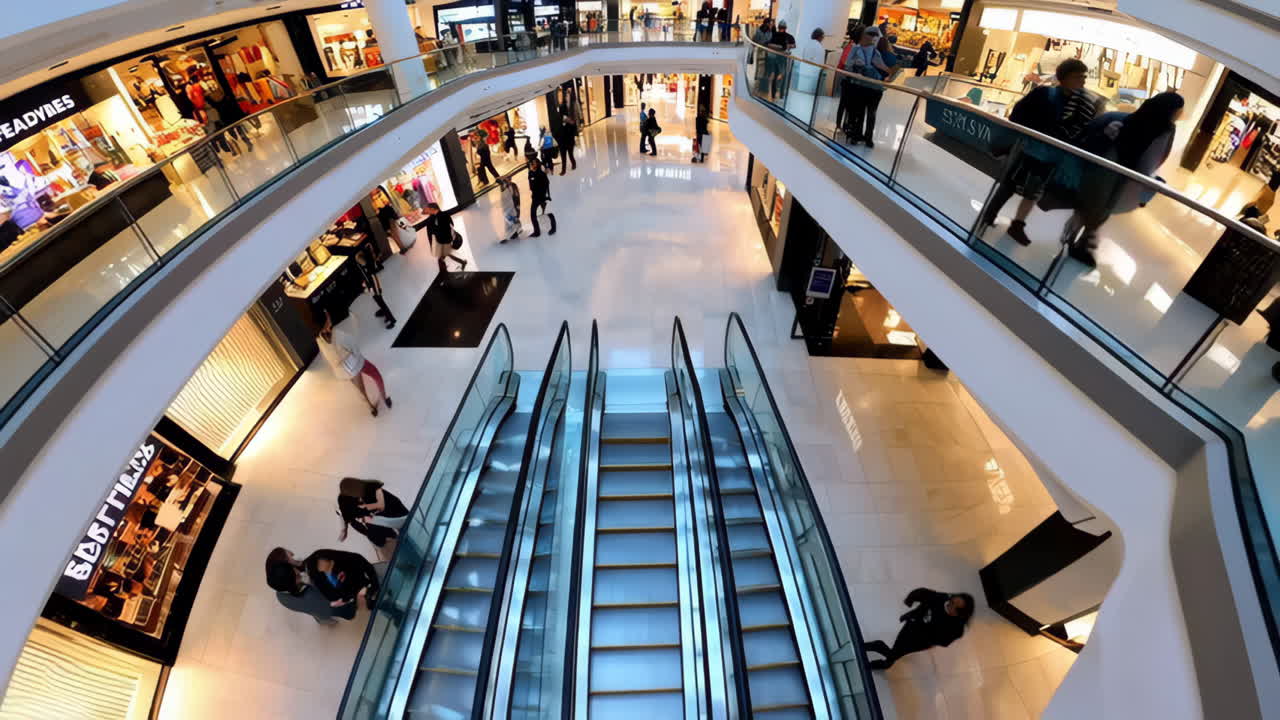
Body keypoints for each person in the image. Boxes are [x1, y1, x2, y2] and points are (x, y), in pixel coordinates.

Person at [980, 59, 1100, 246]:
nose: (1082, 81)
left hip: (1052, 156)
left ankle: (1017, 225)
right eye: (1078, 77)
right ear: (1065, 78)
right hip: (1031, 149)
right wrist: (1038, 130)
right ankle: (989, 215)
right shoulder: (1045, 93)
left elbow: (1080, 130)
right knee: (1011, 184)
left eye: (1084, 77)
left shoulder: (1082, 104)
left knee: (1033, 191)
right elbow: (1018, 114)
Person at [1063, 91, 1184, 266]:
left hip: (1120, 169)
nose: (1180, 115)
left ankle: (1079, 241)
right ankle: (1077, 240)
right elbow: (1153, 156)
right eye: (1178, 111)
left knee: (1098, 206)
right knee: (1097, 206)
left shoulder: (1151, 122)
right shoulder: (1163, 128)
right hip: (1114, 167)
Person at [865, 588, 974, 670]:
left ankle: (883, 657)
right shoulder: (941, 598)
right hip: (911, 626)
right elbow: (923, 593)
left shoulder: (956, 628)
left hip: (919, 641)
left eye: (954, 606)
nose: (949, 604)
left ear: (960, 614)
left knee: (898, 652)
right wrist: (910, 600)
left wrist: (930, 634)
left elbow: (944, 641)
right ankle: (880, 651)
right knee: (896, 651)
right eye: (952, 601)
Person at [317, 312, 391, 416]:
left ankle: (371, 408)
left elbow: (330, 359)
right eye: (328, 317)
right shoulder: (337, 334)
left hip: (345, 371)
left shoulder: (320, 341)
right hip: (356, 363)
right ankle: (384, 397)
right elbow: (353, 344)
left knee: (360, 389)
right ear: (326, 322)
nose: (330, 318)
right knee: (376, 374)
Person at [265, 548, 344, 624]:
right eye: (290, 558)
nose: (292, 554)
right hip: (325, 608)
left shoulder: (280, 591)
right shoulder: (312, 597)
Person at [842, 24, 890, 147]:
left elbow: (885, 69)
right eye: (871, 34)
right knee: (861, 112)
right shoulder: (856, 48)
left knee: (870, 113)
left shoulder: (876, 52)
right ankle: (857, 135)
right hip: (862, 85)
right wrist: (858, 66)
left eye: (875, 35)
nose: (873, 38)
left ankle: (867, 137)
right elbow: (848, 65)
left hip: (874, 87)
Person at [337, 477, 409, 552]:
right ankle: (390, 540)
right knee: (382, 540)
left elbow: (381, 505)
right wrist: (344, 529)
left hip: (390, 514)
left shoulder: (372, 487)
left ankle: (396, 538)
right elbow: (344, 514)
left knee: (398, 530)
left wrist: (365, 508)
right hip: (373, 527)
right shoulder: (343, 498)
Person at [304, 548, 381, 618]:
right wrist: (353, 598)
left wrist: (372, 585)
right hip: (361, 599)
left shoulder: (343, 560)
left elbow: (363, 564)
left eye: (320, 562)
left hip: (370, 587)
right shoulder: (322, 580)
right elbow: (335, 597)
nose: (321, 567)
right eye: (318, 567)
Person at [354, 249, 395, 330]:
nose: (358, 262)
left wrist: (377, 290)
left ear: (362, 259)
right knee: (379, 302)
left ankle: (392, 320)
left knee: (382, 304)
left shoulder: (368, 268)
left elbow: (374, 278)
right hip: (372, 289)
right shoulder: (364, 267)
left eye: (358, 260)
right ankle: (385, 313)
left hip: (375, 289)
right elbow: (367, 278)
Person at [423, 202, 468, 272]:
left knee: (443, 256)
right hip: (451, 239)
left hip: (449, 240)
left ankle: (460, 263)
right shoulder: (442, 216)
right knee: (445, 255)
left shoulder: (433, 221)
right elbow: (452, 225)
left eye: (428, 209)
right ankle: (461, 262)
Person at [764, 20, 796, 101]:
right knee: (782, 75)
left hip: (776, 58)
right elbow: (793, 45)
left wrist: (783, 46)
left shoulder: (776, 35)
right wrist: (782, 47)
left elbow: (768, 44)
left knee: (776, 76)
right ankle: (780, 94)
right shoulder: (786, 36)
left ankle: (776, 95)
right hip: (781, 58)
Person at [527, 158, 557, 236]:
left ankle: (553, 227)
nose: (532, 165)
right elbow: (531, 186)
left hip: (542, 197)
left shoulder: (541, 174)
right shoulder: (530, 173)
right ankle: (537, 232)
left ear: (537, 164)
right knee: (533, 214)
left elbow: (547, 184)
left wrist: (546, 196)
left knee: (548, 212)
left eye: (533, 163)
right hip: (535, 197)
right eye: (531, 163)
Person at [795, 28, 826, 94]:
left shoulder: (807, 44)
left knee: (800, 93)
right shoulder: (819, 47)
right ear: (820, 37)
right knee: (809, 96)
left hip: (804, 70)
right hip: (813, 74)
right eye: (823, 37)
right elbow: (820, 63)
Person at [498, 175, 522, 243]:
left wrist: (517, 206)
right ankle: (513, 234)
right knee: (508, 222)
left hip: (512, 207)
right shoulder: (504, 187)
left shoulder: (512, 186)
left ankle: (516, 230)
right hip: (506, 208)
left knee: (511, 220)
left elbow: (517, 196)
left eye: (507, 180)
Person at [752, 20, 774, 92]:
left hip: (765, 51)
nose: (771, 25)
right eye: (770, 24)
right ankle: (759, 82)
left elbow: (754, 40)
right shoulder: (761, 31)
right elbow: (754, 40)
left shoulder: (768, 31)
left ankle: (761, 82)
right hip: (762, 50)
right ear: (767, 23)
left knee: (763, 66)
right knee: (761, 66)